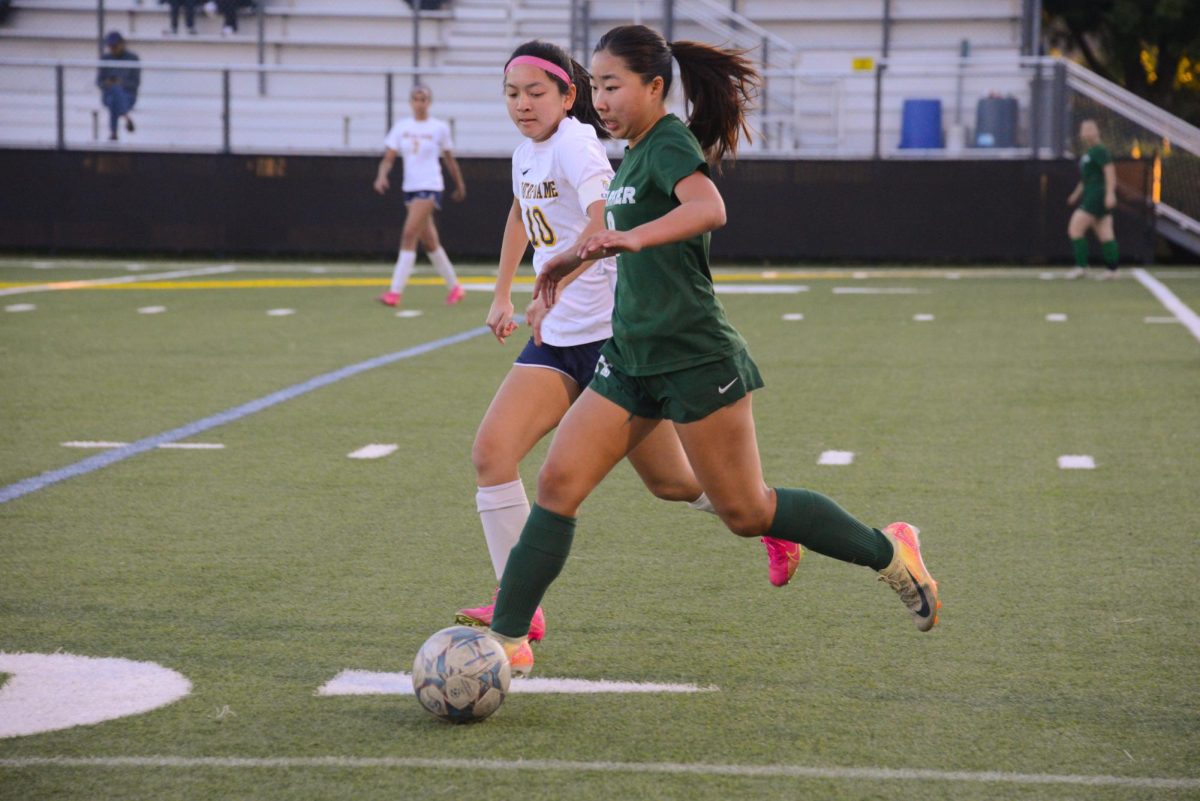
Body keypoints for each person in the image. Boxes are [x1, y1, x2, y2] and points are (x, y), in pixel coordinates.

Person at [483, 24, 941, 672]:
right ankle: (505, 641)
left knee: (748, 510)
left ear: (655, 87)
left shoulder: (667, 141)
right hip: (629, 358)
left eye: (612, 85)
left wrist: (633, 240)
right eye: (596, 87)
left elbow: (709, 207)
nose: (602, 99)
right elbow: (609, 233)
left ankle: (888, 549)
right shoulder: (629, 156)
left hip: (694, 356)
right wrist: (560, 267)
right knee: (558, 481)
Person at [454, 40, 804, 675]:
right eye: (512, 94)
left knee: (673, 484)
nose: (523, 105)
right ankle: (519, 609)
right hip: (559, 341)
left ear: (570, 97)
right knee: (491, 454)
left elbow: (601, 217)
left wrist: (566, 269)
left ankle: (765, 517)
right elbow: (521, 213)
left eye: (537, 93)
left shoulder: (579, 145)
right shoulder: (527, 152)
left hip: (611, 341)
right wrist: (508, 290)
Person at [373, 84, 468, 308]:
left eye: (423, 98)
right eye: (416, 98)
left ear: (429, 102)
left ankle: (395, 292)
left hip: (430, 186)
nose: (420, 102)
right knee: (431, 242)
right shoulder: (401, 127)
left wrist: (459, 184)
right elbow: (389, 157)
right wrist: (382, 175)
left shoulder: (439, 128)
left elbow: (449, 159)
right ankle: (455, 286)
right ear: (410, 102)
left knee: (408, 234)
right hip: (410, 187)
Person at [1065, 119, 1119, 280]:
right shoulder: (1089, 153)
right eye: (1083, 129)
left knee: (1075, 228)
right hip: (1090, 194)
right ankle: (1112, 269)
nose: (1086, 132)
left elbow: (1110, 172)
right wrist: (1075, 194)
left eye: (1090, 128)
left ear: (1097, 131)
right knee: (1105, 232)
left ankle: (1081, 267)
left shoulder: (1100, 150)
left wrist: (1110, 193)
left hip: (1097, 195)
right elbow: (1085, 179)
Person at [96, 32, 139, 142]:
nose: (113, 49)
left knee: (113, 99)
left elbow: (135, 82)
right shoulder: (105, 59)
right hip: (109, 94)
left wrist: (121, 83)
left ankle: (114, 133)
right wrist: (108, 83)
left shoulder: (133, 59)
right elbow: (99, 82)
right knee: (113, 93)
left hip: (128, 96)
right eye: (110, 47)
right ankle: (126, 116)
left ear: (122, 44)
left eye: (115, 46)